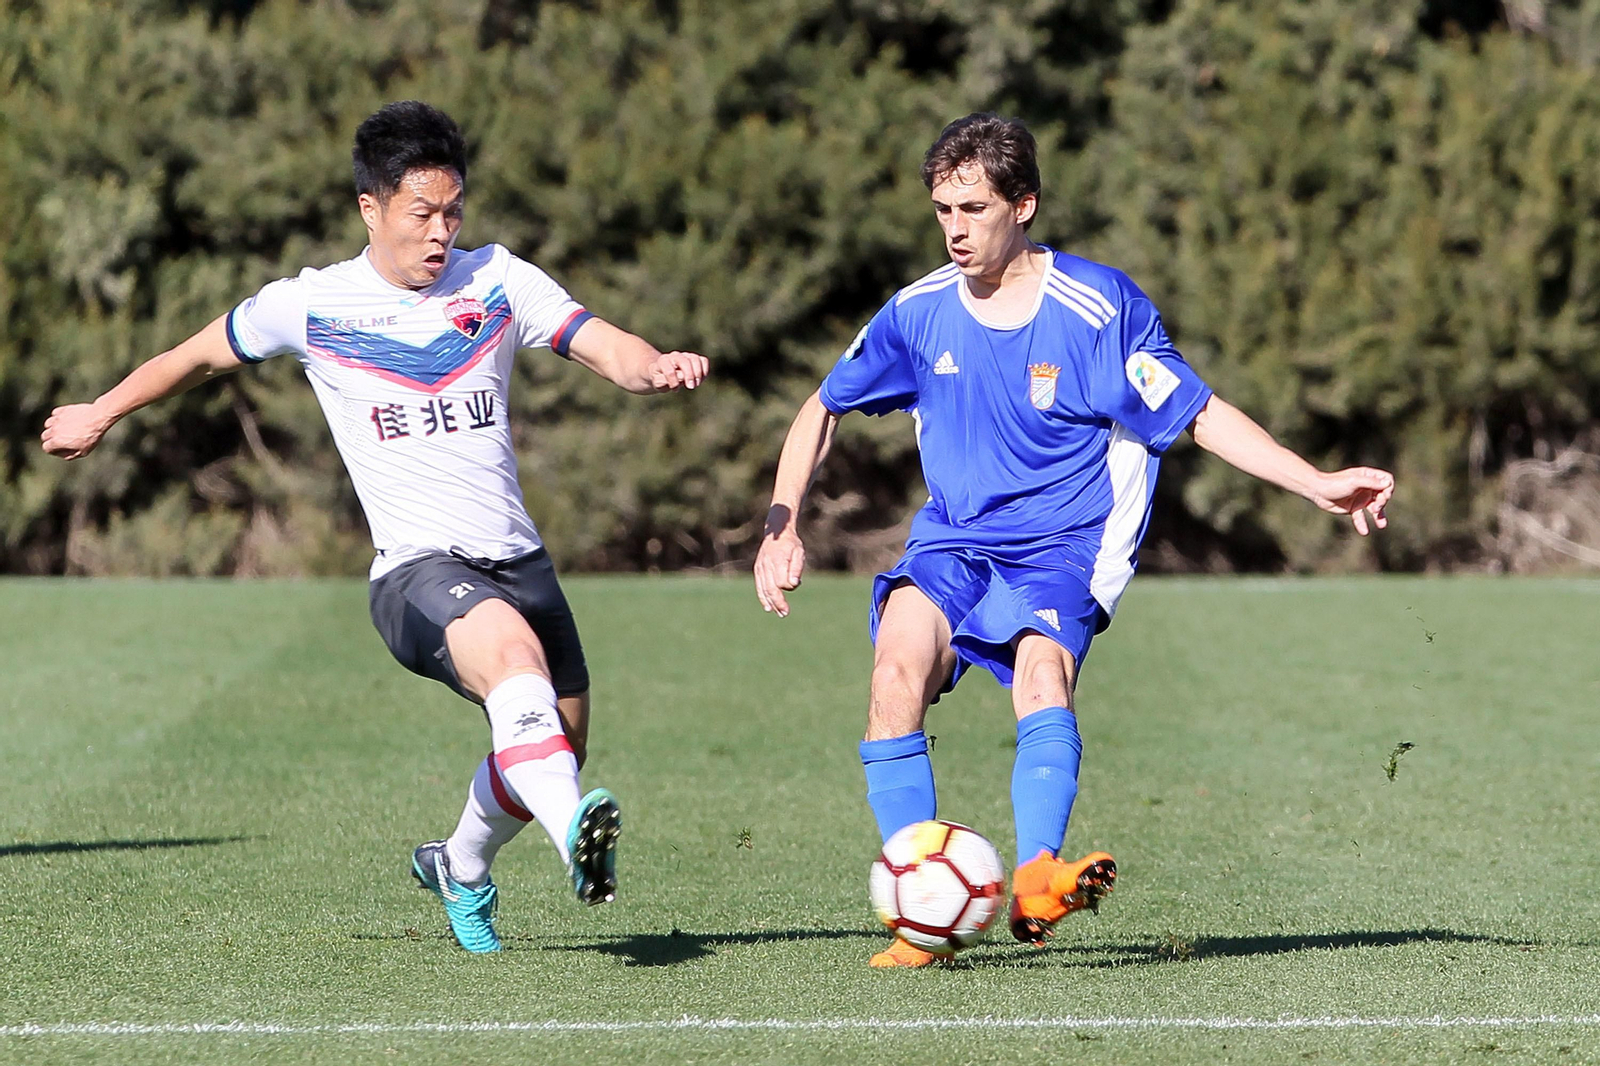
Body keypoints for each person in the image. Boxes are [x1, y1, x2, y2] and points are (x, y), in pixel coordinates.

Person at [41, 101, 709, 954]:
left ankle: (460, 866)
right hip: (417, 573)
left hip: (520, 559)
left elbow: (595, 339)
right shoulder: (313, 305)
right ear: (371, 208)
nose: (441, 232)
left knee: (549, 740)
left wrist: (649, 365)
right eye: (421, 213)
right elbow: (194, 357)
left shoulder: (498, 279)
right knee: (515, 669)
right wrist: (102, 411)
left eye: (453, 211)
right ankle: (574, 832)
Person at [753, 112, 1393, 968]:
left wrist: (1312, 478)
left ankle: (1036, 877)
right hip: (953, 538)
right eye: (942, 208)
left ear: (1025, 205)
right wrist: (781, 520)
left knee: (1042, 675)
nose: (953, 228)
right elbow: (822, 406)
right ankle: (922, 907)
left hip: (1063, 543)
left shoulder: (1098, 309)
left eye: (973, 208)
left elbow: (1195, 413)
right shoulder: (917, 313)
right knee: (894, 669)